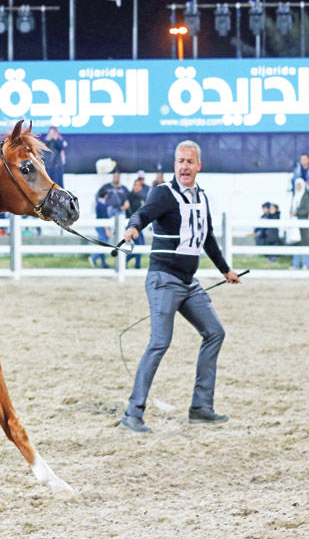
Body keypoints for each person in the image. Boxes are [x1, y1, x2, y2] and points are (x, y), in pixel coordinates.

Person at [119, 140, 241, 434]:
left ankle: (200, 408)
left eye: (189, 161)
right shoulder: (164, 193)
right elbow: (144, 214)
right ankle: (132, 414)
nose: (184, 166)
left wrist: (225, 270)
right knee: (160, 342)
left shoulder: (202, 197)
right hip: (164, 280)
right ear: (175, 165)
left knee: (215, 333)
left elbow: (207, 237)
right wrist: (133, 227)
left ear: (199, 165)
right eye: (180, 161)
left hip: (189, 284)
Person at [125, 174, 148, 269]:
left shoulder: (142, 197)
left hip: (140, 226)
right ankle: (124, 260)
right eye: (135, 185)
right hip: (131, 225)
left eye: (139, 186)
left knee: (141, 246)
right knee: (140, 245)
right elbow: (124, 208)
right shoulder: (129, 196)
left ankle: (137, 265)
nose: (137, 187)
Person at [290, 178, 309, 270]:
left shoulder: (306, 196)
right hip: (295, 222)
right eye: (297, 185)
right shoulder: (295, 196)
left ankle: (305, 263)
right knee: (296, 242)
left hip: (303, 221)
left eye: (300, 185)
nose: (298, 187)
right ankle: (295, 263)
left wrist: (297, 213)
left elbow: (307, 210)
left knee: (304, 242)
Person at [90, 189, 111, 268]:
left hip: (101, 226)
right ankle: (94, 257)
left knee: (103, 243)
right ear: (105, 195)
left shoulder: (99, 203)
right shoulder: (102, 205)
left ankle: (103, 263)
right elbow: (104, 218)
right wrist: (107, 230)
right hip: (103, 227)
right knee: (104, 244)